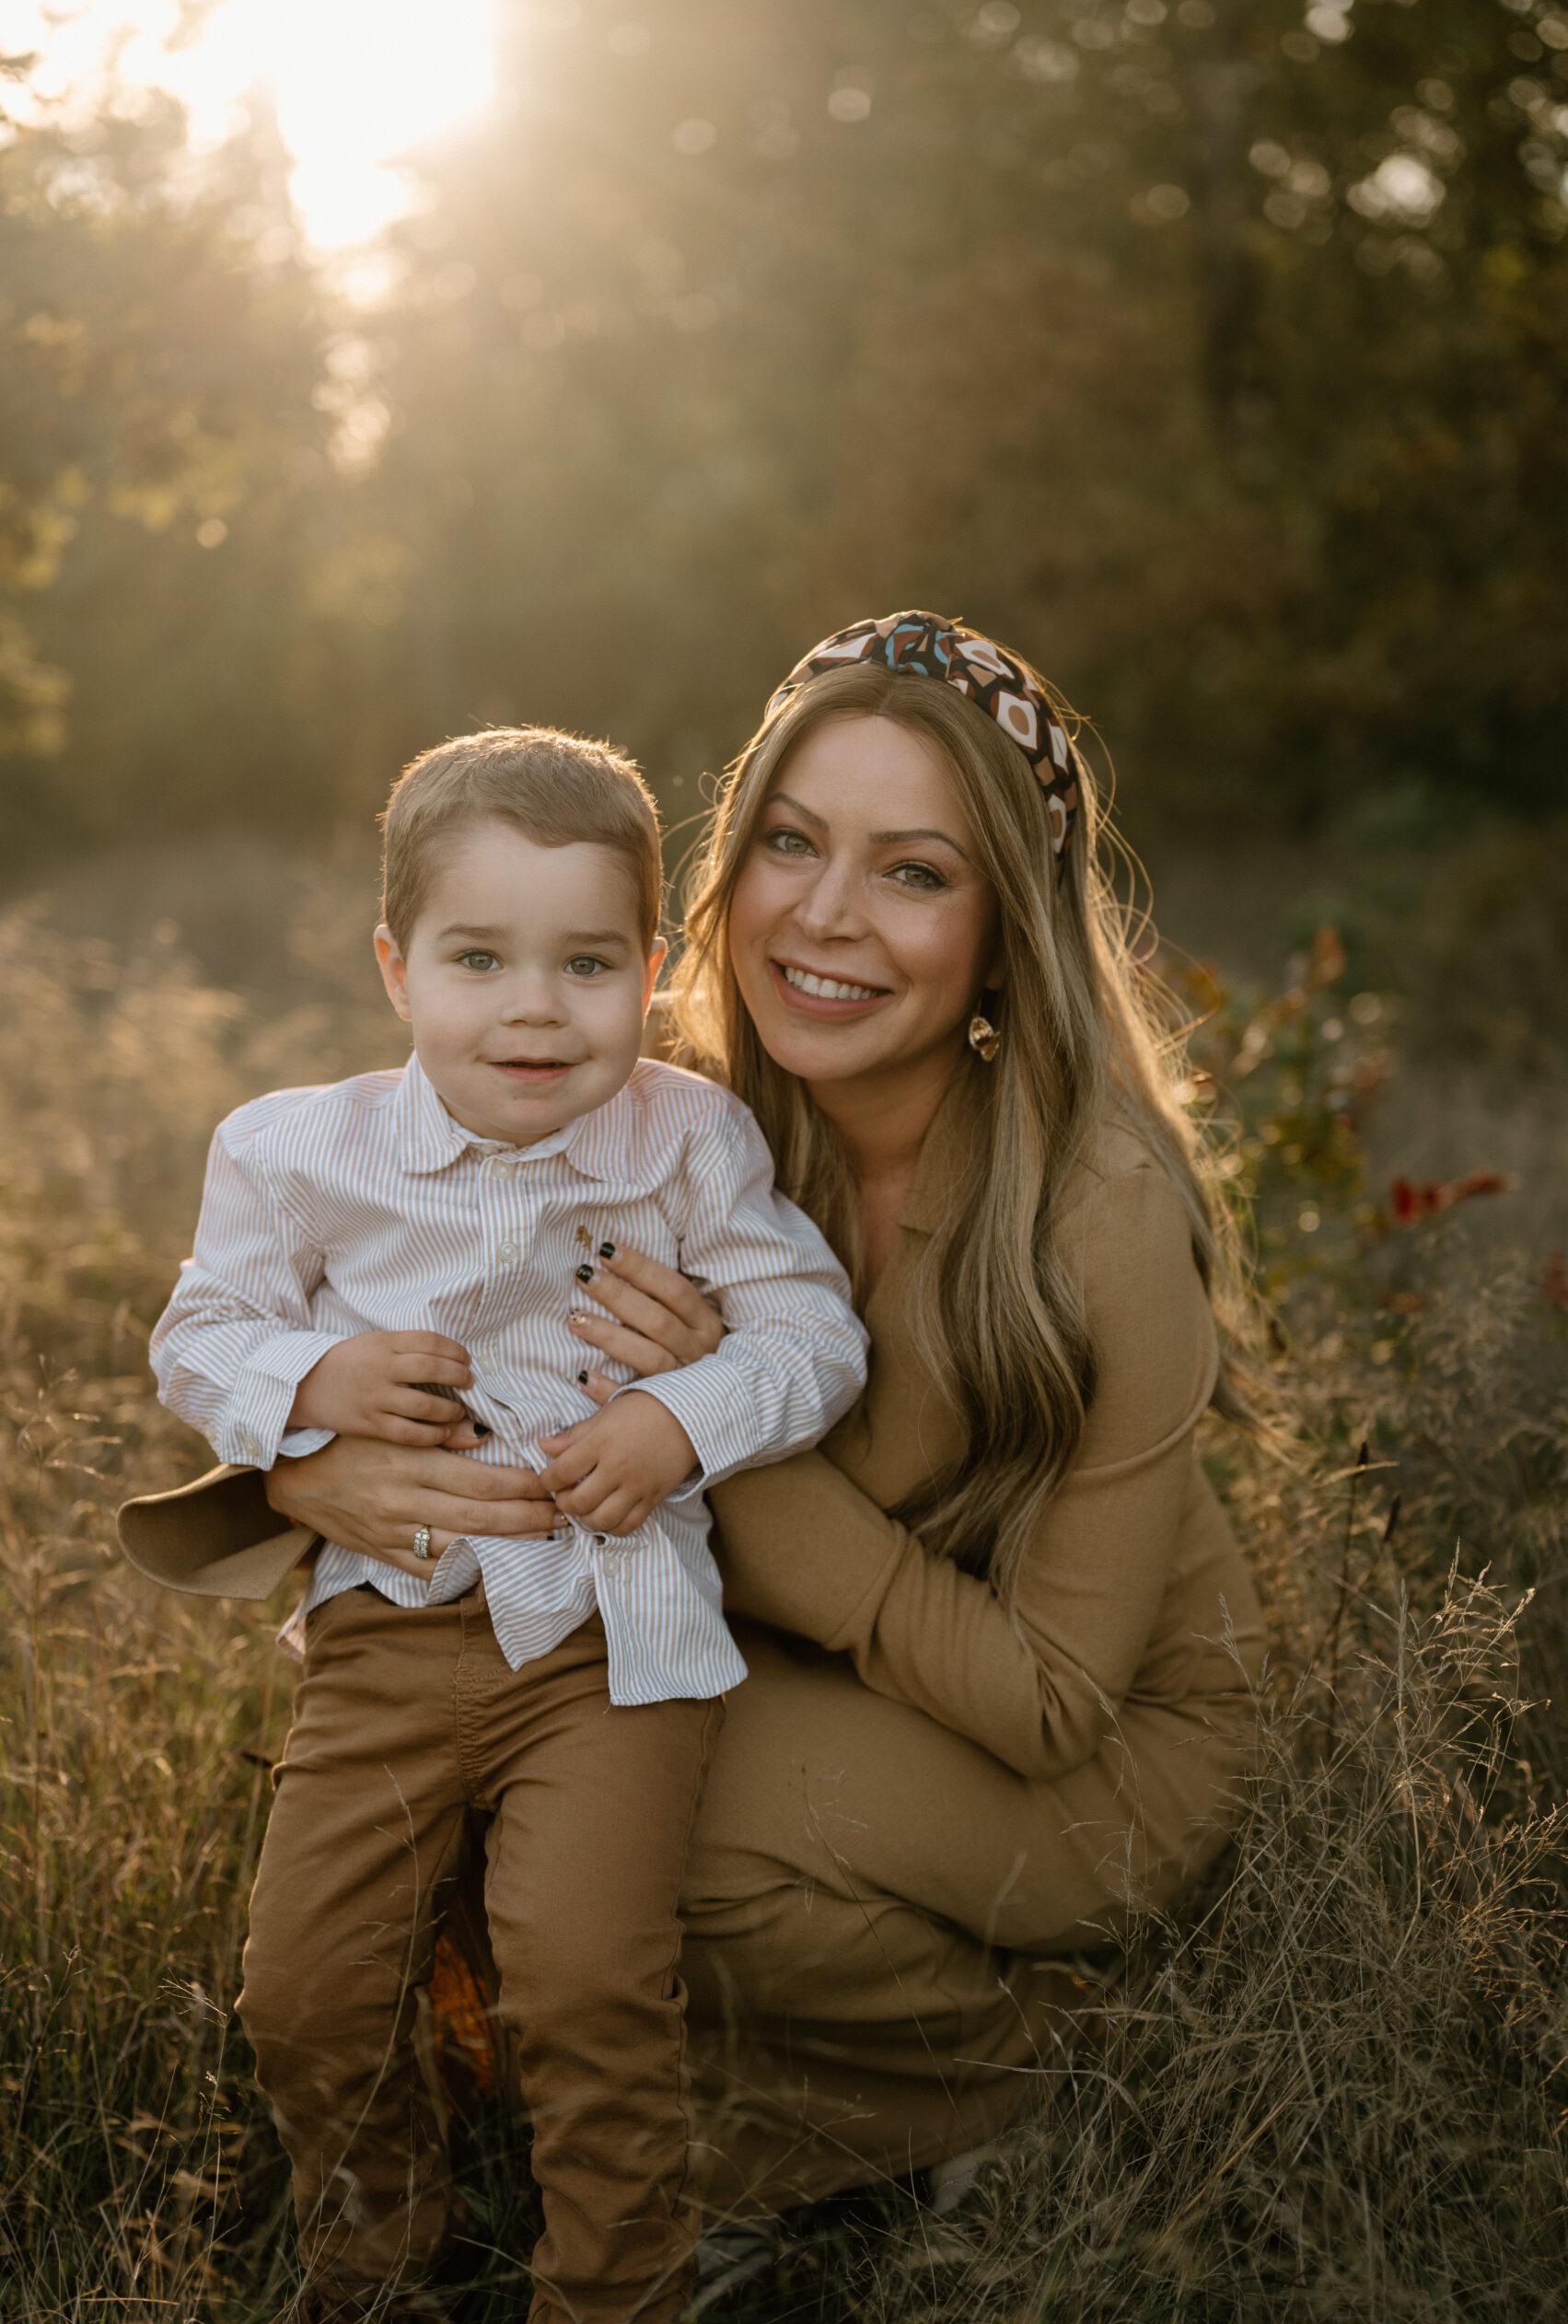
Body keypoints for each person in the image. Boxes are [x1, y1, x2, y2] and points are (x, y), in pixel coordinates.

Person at [122, 611, 1267, 2272]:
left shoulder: (1094, 1216)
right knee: (476, 1819)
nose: (824, 913)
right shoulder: (667, 1112)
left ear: (1007, 930)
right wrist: (313, 1458)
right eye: (794, 844)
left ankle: (1020, 2079)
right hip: (831, 1657)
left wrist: (726, 1440)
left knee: (661, 1850)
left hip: (1085, 1732)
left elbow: (1049, 1699)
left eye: (914, 872)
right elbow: (401, 1316)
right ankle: (699, 2110)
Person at [141, 728, 868, 2324]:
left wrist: (684, 1417)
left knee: (591, 1983)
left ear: (654, 967)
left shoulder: (686, 1141)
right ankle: (381, 2258)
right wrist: (314, 1372)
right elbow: (193, 1339)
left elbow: (815, 1332)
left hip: (614, 1648)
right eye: (481, 958)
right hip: (383, 1640)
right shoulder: (290, 1150)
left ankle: (615, 2292)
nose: (535, 1008)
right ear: (399, 968)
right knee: (306, 1993)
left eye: (587, 962)